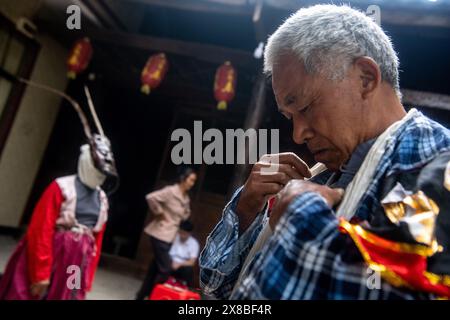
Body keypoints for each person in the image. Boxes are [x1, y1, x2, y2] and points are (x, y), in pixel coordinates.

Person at [200, 4, 450, 299]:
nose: (298, 134)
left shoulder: (433, 160)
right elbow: (213, 290)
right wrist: (246, 210)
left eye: (305, 107)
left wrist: (303, 222)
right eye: (290, 116)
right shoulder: (320, 178)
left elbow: (409, 289)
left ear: (366, 78)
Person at [0, 135, 119, 300]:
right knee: (33, 292)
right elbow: (41, 230)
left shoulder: (102, 198)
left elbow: (96, 240)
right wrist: (40, 272)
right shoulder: (62, 187)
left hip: (77, 260)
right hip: (53, 251)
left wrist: (88, 276)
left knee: (70, 294)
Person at [135, 168, 197, 300]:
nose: (192, 183)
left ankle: (140, 296)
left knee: (155, 270)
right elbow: (151, 197)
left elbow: (185, 216)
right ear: (183, 178)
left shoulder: (185, 198)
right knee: (165, 270)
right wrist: (160, 212)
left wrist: (185, 209)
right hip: (160, 233)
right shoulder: (170, 191)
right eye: (191, 180)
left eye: (194, 181)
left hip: (170, 237)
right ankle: (155, 296)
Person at [169, 220, 200, 287]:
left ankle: (185, 289)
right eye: (181, 233)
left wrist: (179, 264)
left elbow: (192, 262)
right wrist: (172, 262)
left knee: (188, 270)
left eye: (184, 234)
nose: (182, 235)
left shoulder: (194, 243)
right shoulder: (174, 237)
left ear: (189, 233)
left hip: (182, 266)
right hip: (170, 262)